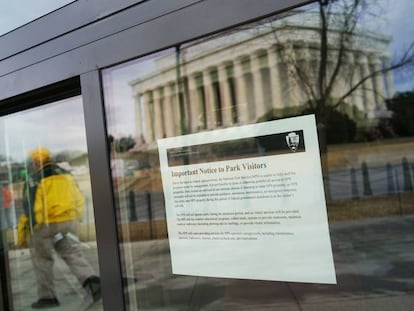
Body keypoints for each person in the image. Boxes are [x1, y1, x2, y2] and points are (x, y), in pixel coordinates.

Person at [17, 146, 101, 309]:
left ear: (36, 161)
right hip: (69, 221)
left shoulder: (35, 178)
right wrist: (77, 217)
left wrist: (32, 229)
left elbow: (33, 207)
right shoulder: (66, 174)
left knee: (42, 260)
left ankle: (47, 297)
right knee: (71, 253)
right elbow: (79, 198)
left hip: (46, 224)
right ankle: (91, 282)